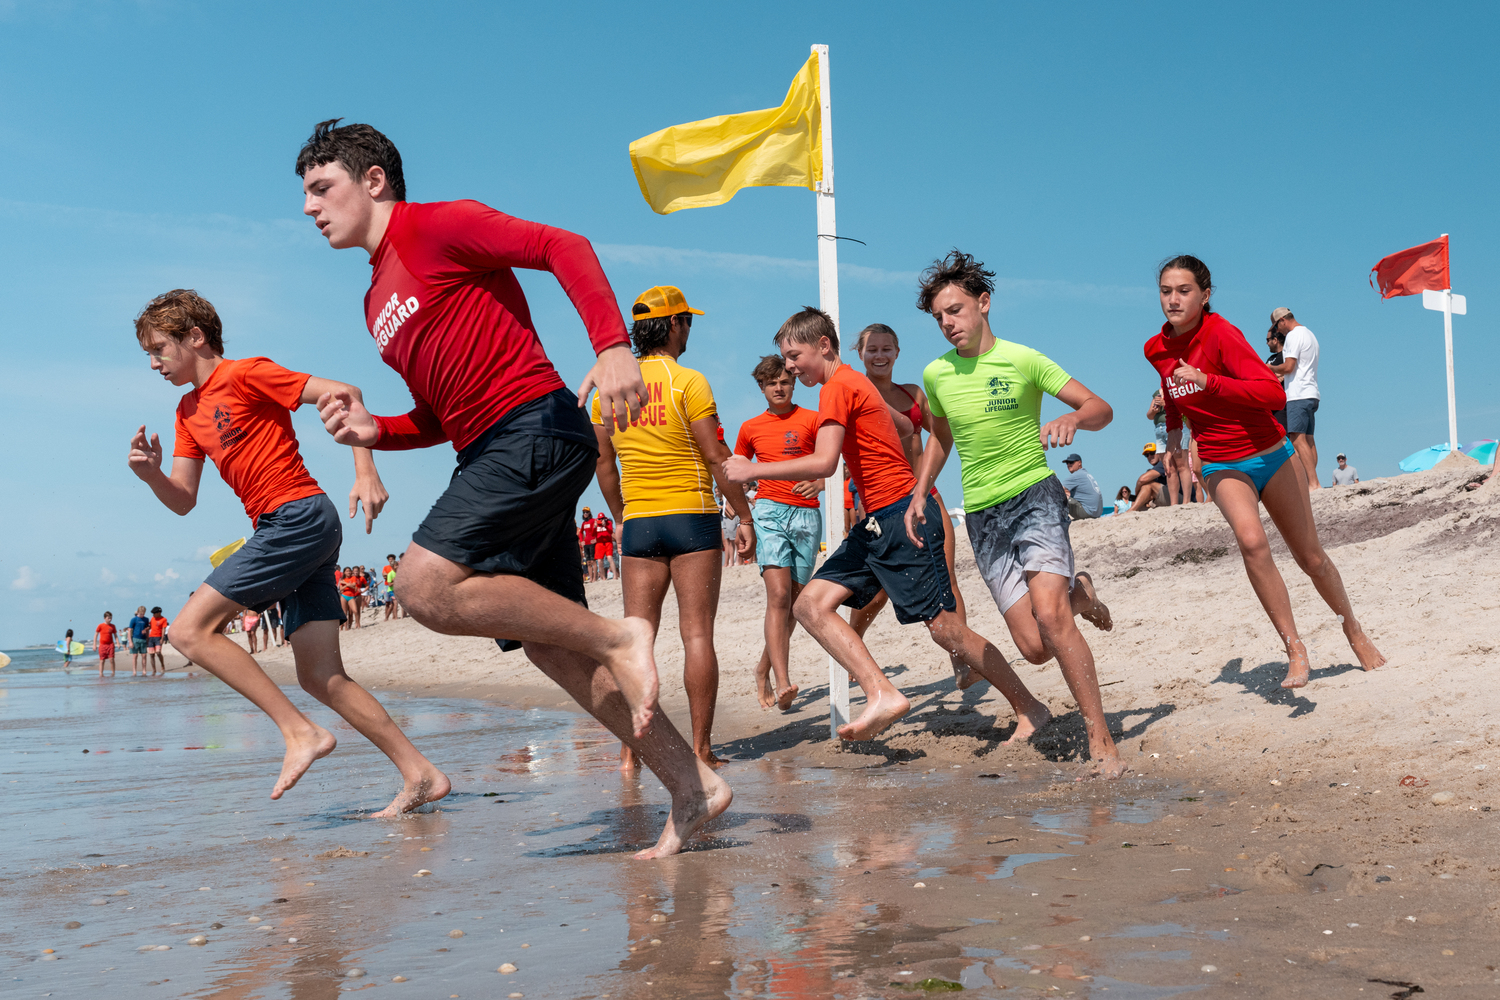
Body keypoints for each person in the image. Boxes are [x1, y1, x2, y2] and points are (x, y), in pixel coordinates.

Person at [300, 119, 728, 857]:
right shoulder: (375, 305)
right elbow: (439, 414)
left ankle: (622, 636)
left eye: (320, 188)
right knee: (550, 648)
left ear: (372, 181)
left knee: (425, 586)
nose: (310, 207)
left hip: (532, 424)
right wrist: (381, 434)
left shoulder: (439, 226)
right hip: (486, 448)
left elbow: (563, 246)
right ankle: (693, 789)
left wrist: (613, 344)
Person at [128, 287, 449, 815]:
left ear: (195, 336)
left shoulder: (247, 373)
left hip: (297, 515)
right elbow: (183, 500)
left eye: (159, 348)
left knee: (188, 631)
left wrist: (366, 471)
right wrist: (149, 474)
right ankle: (421, 774)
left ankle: (298, 732)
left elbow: (343, 392)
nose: (154, 362)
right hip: (290, 527)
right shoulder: (186, 412)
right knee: (319, 676)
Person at [724, 306, 1048, 745]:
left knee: (946, 630)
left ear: (823, 346)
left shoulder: (838, 385)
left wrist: (753, 472)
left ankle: (1030, 707)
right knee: (810, 606)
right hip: (877, 520)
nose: (789, 366)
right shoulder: (848, 385)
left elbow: (825, 461)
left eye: (794, 355)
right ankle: (882, 693)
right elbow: (876, 438)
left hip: (903, 513)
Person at [904, 251, 1122, 778]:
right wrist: (920, 490)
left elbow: (1101, 408)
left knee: (1050, 618)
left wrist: (1072, 418)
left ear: (983, 303)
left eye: (955, 310)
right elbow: (940, 437)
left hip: (1032, 496)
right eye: (939, 317)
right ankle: (1078, 593)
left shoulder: (1024, 359)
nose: (948, 323)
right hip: (982, 514)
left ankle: (1102, 742)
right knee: (1032, 647)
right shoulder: (936, 374)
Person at [1148, 256, 1383, 688]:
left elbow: (1271, 390)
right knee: (1252, 542)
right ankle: (1294, 647)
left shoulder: (1222, 334)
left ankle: (1352, 627)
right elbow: (1171, 390)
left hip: (1271, 452)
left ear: (1205, 295)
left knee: (1309, 556)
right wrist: (1177, 439)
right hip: (1219, 461)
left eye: (1184, 290)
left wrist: (1208, 381)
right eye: (1166, 291)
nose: (1174, 299)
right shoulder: (1155, 348)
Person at [591, 286, 753, 770]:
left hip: (640, 523)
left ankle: (630, 753)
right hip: (691, 517)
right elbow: (715, 454)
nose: (690, 330)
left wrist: (622, 516)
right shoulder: (688, 382)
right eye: (688, 321)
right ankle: (701, 751)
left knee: (634, 642)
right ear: (675, 325)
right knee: (697, 636)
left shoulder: (609, 390)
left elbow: (603, 466)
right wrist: (742, 514)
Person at [850, 323, 972, 685]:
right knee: (877, 593)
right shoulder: (853, 393)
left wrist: (926, 484)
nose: (880, 355)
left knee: (947, 578)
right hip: (883, 504)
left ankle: (962, 663)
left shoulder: (914, 393)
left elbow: (942, 436)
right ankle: (852, 642)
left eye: (887, 348)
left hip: (924, 494)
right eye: (872, 349)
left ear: (897, 352)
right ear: (860, 354)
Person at [734, 354, 823, 711]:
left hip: (807, 516)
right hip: (769, 512)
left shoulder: (813, 420)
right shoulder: (750, 428)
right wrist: (741, 515)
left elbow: (835, 459)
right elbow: (735, 471)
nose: (779, 387)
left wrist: (818, 482)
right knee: (779, 596)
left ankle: (763, 669)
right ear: (761, 387)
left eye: (785, 381)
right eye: (771, 383)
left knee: (796, 604)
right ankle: (784, 681)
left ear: (794, 383)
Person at [1269, 307, 1321, 490]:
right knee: (1308, 439)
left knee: (1297, 439)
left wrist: (1270, 368)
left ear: (1282, 320)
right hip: (1312, 392)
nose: (1277, 331)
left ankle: (1313, 483)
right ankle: (1313, 481)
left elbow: (1289, 367)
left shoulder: (1292, 336)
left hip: (1298, 394)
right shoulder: (1310, 334)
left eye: (1276, 326)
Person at [1059, 453, 1103, 520]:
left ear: (1079, 463)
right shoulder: (1086, 474)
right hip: (1097, 513)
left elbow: (1058, 489)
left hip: (1087, 512)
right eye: (1067, 463)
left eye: (1071, 462)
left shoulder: (1077, 475)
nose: (1068, 465)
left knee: (1058, 495)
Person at [1129, 442, 1170, 511]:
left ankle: (1129, 511)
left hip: (1179, 498)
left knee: (1148, 485)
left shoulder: (1164, 463)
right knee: (1137, 504)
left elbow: (1142, 479)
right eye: (1146, 455)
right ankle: (1131, 511)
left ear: (1158, 453)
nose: (1149, 456)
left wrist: (1137, 494)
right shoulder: (1155, 471)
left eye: (1152, 453)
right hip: (1168, 498)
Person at [1264, 326, 1288, 429]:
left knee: (1284, 437)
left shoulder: (1286, 356)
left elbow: (1284, 373)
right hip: (1269, 407)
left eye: (1268, 340)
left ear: (1275, 340)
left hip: (1281, 407)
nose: (1266, 343)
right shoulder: (1271, 359)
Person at [593, 510, 616, 580]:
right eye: (599, 519)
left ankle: (615, 575)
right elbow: (593, 535)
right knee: (599, 561)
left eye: (602, 518)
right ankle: (603, 577)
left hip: (608, 542)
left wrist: (605, 525)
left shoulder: (608, 522)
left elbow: (610, 532)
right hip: (599, 543)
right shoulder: (596, 524)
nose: (601, 520)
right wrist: (594, 527)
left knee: (610, 558)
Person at [127, 605, 151, 676]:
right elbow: (129, 631)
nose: (142, 615)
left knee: (144, 655)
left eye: (143, 613)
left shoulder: (146, 619)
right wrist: (130, 642)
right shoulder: (133, 619)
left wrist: (147, 638)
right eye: (141, 613)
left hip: (143, 639)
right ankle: (134, 671)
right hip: (135, 639)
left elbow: (148, 628)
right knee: (135, 655)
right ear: (138, 612)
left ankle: (144, 670)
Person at [94, 612, 118, 678]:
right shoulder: (100, 626)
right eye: (108, 618)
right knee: (102, 660)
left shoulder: (113, 626)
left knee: (111, 659)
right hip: (102, 645)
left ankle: (113, 673)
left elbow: (115, 635)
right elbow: (96, 635)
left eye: (111, 618)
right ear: (104, 618)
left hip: (110, 644)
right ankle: (101, 674)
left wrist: (118, 643)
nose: (110, 619)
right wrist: (94, 644)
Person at [579, 508, 599, 582]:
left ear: (589, 513)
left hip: (592, 543)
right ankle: (591, 578)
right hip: (586, 543)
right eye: (584, 512)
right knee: (588, 562)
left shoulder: (593, 521)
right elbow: (581, 532)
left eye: (586, 512)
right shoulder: (583, 523)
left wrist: (596, 538)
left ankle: (595, 578)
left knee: (593, 561)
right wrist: (581, 541)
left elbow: (597, 531)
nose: (585, 513)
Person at [147, 607, 169, 675]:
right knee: (151, 655)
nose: (153, 614)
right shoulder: (152, 618)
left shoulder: (164, 619)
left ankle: (162, 665)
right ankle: (154, 670)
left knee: (158, 652)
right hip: (151, 637)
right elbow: (150, 626)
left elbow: (163, 629)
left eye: (154, 613)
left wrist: (162, 638)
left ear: (159, 613)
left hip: (158, 637)